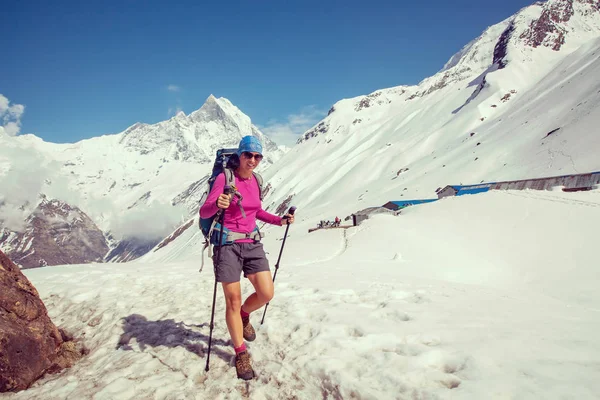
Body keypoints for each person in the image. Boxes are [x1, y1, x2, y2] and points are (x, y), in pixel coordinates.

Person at [199, 135, 295, 380]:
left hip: (251, 242)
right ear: (239, 155)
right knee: (232, 300)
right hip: (226, 245)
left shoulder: (256, 181)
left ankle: (244, 316)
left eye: (257, 156)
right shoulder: (225, 178)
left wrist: (280, 220)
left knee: (266, 293)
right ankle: (240, 352)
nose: (252, 160)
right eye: (248, 155)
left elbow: (256, 211)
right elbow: (205, 210)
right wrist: (218, 203)